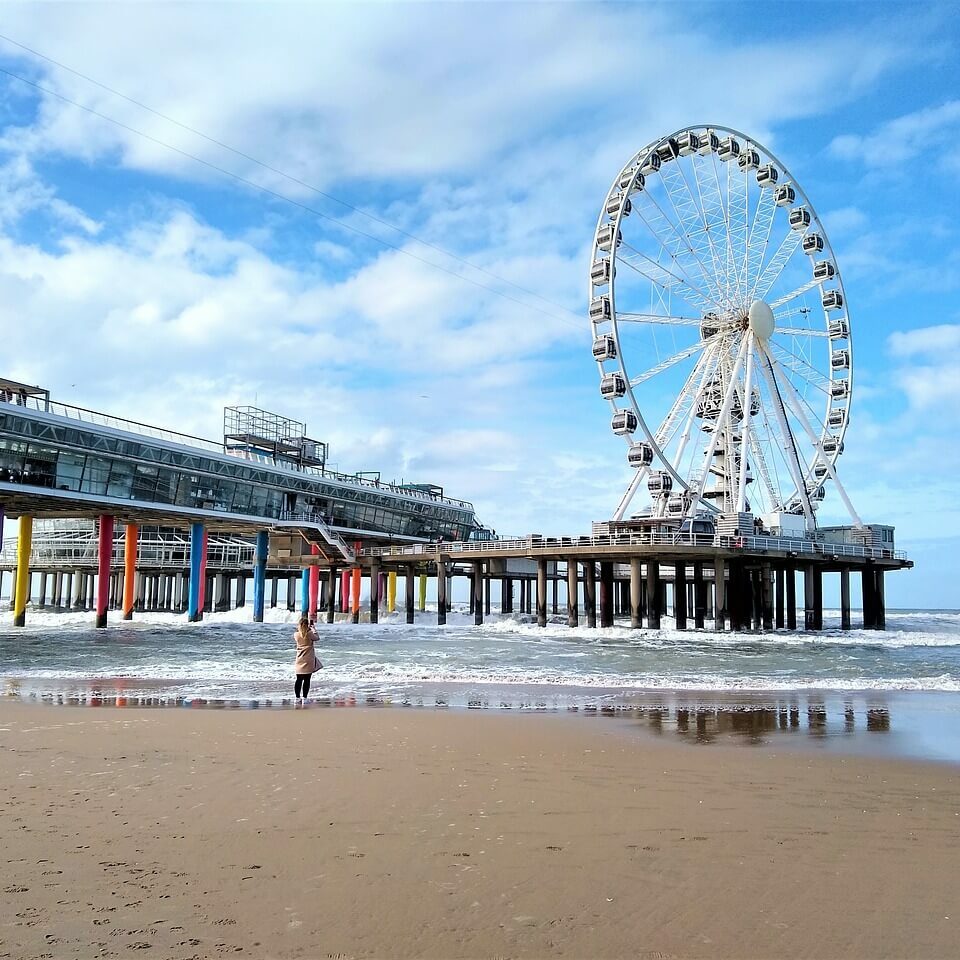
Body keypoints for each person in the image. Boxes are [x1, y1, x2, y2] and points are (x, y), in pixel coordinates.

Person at [293, 615, 322, 701]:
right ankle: (305, 698)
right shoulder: (309, 634)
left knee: (298, 679)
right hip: (309, 659)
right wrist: (314, 629)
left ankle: (297, 698)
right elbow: (317, 638)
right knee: (307, 680)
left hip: (299, 659)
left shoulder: (296, 635)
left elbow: (300, 633)